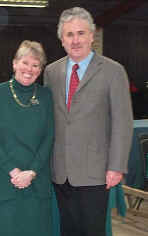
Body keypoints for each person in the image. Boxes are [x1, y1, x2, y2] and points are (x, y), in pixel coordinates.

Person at [44, 7, 133, 236]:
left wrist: (116, 166)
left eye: (81, 33)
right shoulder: (51, 72)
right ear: (61, 40)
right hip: (60, 171)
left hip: (96, 172)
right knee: (68, 230)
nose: (75, 40)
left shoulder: (114, 71)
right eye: (69, 35)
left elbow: (122, 122)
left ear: (92, 36)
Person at [0, 40, 54, 236]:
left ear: (40, 69)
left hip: (37, 185)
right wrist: (13, 171)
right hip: (4, 184)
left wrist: (32, 172)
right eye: (24, 62)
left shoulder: (46, 96)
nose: (29, 69)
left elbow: (49, 138)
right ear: (14, 63)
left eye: (35, 65)